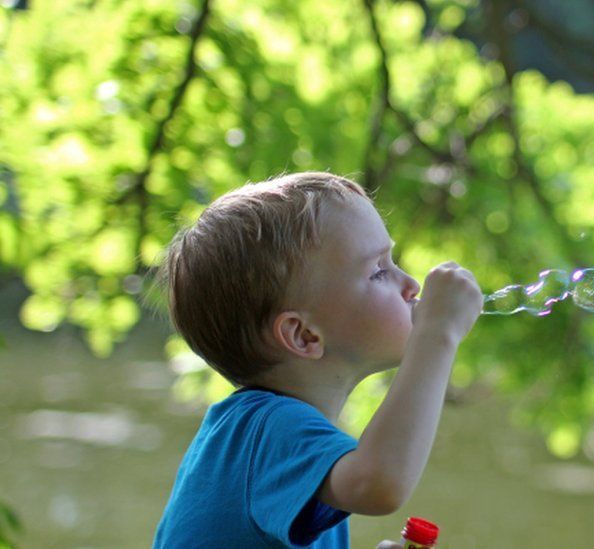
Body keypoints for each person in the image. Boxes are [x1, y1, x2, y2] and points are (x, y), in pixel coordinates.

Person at [152, 172, 483, 548]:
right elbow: (378, 486)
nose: (411, 285)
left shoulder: (267, 439)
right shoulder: (267, 430)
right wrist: (437, 335)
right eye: (378, 271)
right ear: (304, 335)